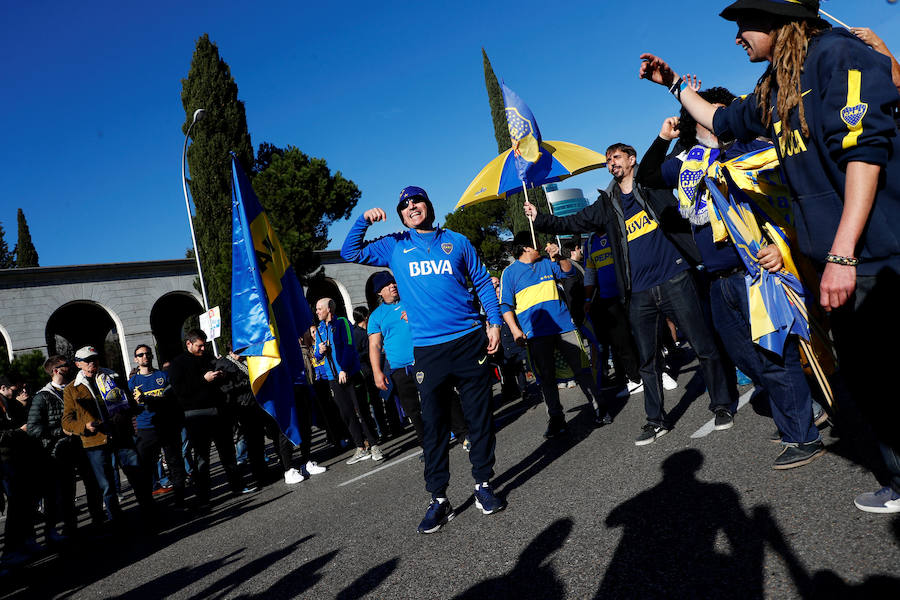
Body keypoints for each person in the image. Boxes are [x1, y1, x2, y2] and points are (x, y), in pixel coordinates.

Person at [639, 0, 900, 510]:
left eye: (744, 23)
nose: (737, 35)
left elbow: (864, 154)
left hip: (875, 257)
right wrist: (673, 85)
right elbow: (719, 117)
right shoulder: (772, 88)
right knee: (870, 380)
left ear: (782, 19)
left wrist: (844, 254)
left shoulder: (838, 55)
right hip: (830, 260)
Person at [636, 90, 825, 469]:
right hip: (717, 280)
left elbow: (782, 199)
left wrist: (779, 244)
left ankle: (802, 432)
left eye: (716, 110)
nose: (710, 116)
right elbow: (648, 175)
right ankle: (799, 410)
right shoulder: (686, 162)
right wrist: (663, 138)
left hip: (755, 271)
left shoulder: (748, 148)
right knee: (743, 356)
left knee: (774, 352)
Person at [524, 144, 736, 446]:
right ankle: (655, 420)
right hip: (638, 292)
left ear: (632, 159)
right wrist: (540, 218)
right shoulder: (607, 204)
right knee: (646, 360)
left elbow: (673, 158)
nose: (612, 164)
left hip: (675, 277)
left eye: (617, 158)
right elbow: (572, 222)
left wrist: (666, 135)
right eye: (608, 160)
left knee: (703, 345)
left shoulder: (652, 183)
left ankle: (722, 405)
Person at [342, 185, 506, 533]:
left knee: (479, 419)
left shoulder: (457, 242)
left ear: (428, 205)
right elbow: (349, 249)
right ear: (401, 215)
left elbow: (480, 281)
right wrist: (363, 220)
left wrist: (493, 322)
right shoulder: (395, 244)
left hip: (468, 341)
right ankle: (440, 499)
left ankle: (483, 485)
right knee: (432, 426)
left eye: (416, 201)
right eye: (404, 205)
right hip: (429, 351)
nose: (411, 206)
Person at [500, 231, 611, 435]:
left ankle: (599, 407)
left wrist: (559, 256)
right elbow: (505, 305)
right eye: (536, 243)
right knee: (546, 378)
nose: (542, 245)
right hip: (535, 333)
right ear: (526, 247)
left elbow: (568, 273)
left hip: (564, 327)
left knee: (582, 369)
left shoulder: (547, 262)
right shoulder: (510, 272)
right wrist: (515, 330)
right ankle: (556, 418)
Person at [61, 346, 154, 523]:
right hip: (95, 442)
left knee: (138, 478)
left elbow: (130, 406)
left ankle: (150, 513)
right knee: (107, 486)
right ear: (78, 364)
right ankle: (116, 521)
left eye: (95, 359)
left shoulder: (113, 377)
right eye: (87, 361)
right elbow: (66, 421)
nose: (92, 363)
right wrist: (85, 426)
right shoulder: (72, 389)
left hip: (121, 437)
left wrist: (130, 406)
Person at [169, 330, 255, 506]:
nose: (202, 348)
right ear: (189, 344)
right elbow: (180, 390)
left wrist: (221, 376)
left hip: (218, 411)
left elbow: (222, 377)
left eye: (204, 345)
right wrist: (204, 380)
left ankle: (237, 485)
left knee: (228, 452)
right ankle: (204, 497)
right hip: (195, 415)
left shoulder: (209, 357)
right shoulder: (178, 364)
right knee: (202, 457)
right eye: (199, 345)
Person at [314, 298, 383, 463]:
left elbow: (348, 346)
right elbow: (316, 355)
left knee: (362, 410)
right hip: (333, 378)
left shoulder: (342, 322)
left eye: (319, 308)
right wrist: (320, 351)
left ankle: (374, 445)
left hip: (350, 374)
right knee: (346, 414)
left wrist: (343, 368)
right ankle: (360, 446)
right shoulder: (319, 329)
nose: (316, 312)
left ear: (329, 309)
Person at [582, 231, 642, 394]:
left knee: (642, 333)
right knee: (620, 341)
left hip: (631, 291)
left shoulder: (615, 230)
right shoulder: (589, 242)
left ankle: (660, 369)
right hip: (608, 299)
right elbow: (590, 273)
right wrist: (588, 300)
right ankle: (635, 378)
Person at [27, 356, 80, 540]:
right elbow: (33, 428)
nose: (69, 367)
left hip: (74, 449)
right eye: (65, 365)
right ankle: (50, 532)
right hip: (53, 454)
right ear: (56, 370)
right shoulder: (42, 396)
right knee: (53, 496)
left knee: (69, 493)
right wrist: (61, 431)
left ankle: (71, 529)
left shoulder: (72, 389)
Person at [128, 345, 188, 507]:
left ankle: (181, 499)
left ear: (152, 356)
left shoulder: (163, 376)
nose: (144, 357)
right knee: (146, 468)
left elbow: (172, 400)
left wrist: (149, 399)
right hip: (145, 428)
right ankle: (148, 505)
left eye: (147, 354)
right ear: (136, 359)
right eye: (140, 355)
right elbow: (129, 407)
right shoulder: (132, 382)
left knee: (175, 463)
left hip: (167, 426)